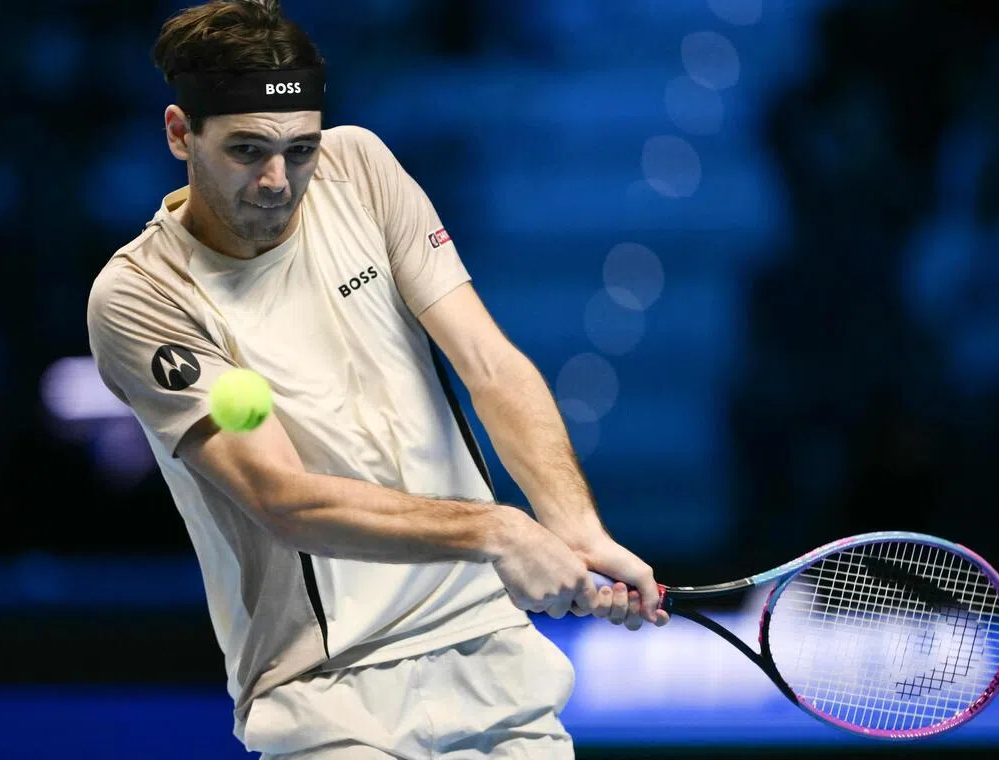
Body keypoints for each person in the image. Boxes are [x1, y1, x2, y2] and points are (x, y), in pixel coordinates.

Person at [86, 1, 669, 756]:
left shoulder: (358, 165)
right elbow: (282, 499)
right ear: (179, 133)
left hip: (495, 663)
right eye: (246, 150)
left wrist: (575, 526)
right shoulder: (142, 296)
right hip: (329, 699)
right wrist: (496, 530)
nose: (277, 180)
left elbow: (489, 364)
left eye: (299, 150)